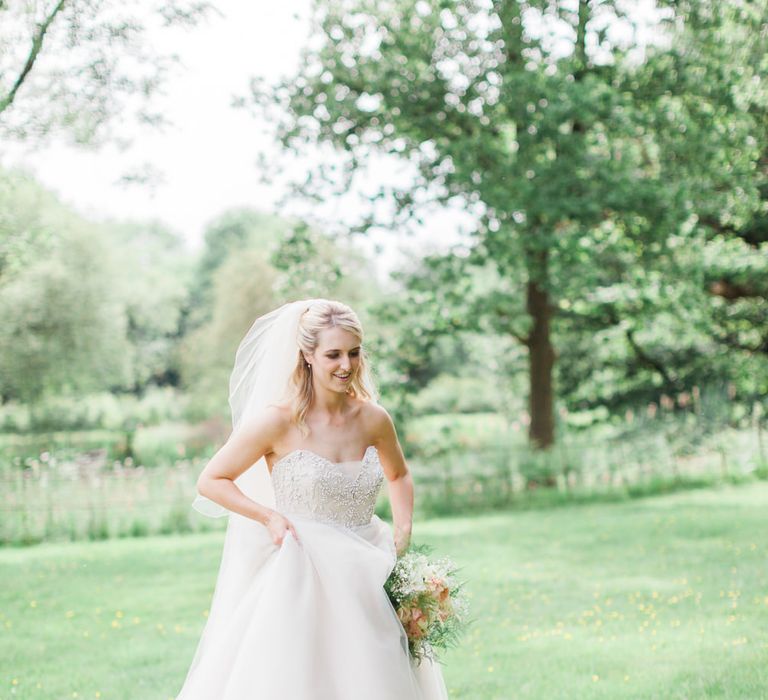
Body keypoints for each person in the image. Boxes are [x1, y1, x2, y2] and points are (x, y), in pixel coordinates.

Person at [175, 298, 449, 699]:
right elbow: (212, 479)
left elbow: (399, 474)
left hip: (368, 565)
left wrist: (403, 531)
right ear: (307, 356)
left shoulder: (374, 418)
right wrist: (267, 516)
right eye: (333, 354)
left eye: (354, 353)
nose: (346, 365)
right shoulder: (277, 420)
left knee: (374, 674)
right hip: (303, 570)